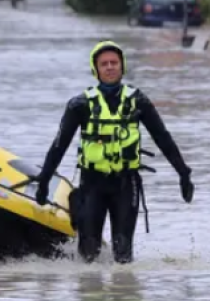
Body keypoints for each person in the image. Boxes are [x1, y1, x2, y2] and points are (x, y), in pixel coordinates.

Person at [35, 40, 195, 264]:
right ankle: (90, 294)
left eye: (114, 63)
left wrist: (183, 173)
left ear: (122, 66)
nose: (110, 67)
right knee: (88, 253)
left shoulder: (138, 101)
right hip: (92, 185)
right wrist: (43, 181)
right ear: (96, 69)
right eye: (104, 64)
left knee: (123, 253)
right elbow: (59, 145)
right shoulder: (79, 105)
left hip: (125, 184)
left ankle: (123, 294)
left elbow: (162, 138)